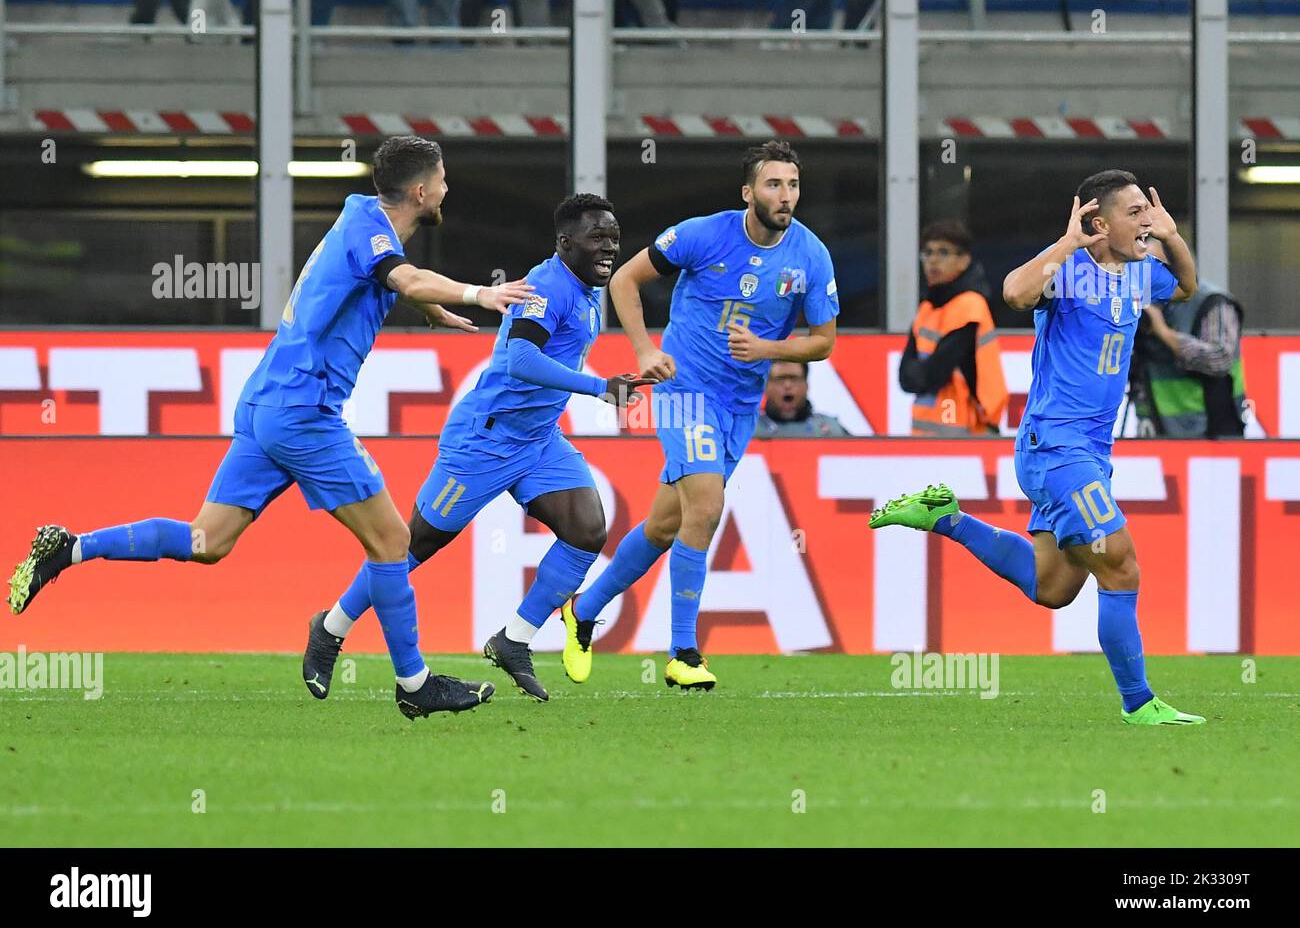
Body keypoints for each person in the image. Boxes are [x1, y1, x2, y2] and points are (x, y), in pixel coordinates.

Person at [6, 136, 530, 722]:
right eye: (441, 178)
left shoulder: (363, 219)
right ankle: (412, 681)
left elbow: (386, 281)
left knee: (208, 542)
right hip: (305, 412)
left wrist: (428, 307)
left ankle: (69, 548)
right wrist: (479, 293)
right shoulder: (373, 233)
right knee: (392, 543)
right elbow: (404, 279)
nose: (446, 187)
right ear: (419, 191)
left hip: (266, 405)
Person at [871, 169, 1206, 727]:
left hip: (1090, 451)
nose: (1144, 221)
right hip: (1056, 447)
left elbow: (1188, 285)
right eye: (1134, 214)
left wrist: (1170, 235)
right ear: (1098, 222)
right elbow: (1013, 293)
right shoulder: (1069, 269)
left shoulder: (1140, 271)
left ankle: (945, 519)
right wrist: (1070, 241)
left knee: (1053, 589)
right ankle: (1139, 703)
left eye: (1147, 212)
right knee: (1121, 567)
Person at [301, 194, 653, 703]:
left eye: (614, 238)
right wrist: (597, 388)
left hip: (538, 439)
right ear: (565, 242)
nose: (609, 248)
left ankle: (514, 640)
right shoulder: (547, 288)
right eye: (598, 237)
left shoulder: (586, 287)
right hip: (484, 441)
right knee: (409, 547)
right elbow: (518, 360)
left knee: (586, 529)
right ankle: (330, 628)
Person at [558, 140, 840, 690]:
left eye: (793, 185)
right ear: (748, 192)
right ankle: (684, 651)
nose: (786, 196)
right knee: (707, 506)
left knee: (667, 524)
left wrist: (768, 350)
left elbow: (824, 342)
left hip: (739, 405)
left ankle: (583, 609)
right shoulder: (701, 235)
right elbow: (624, 280)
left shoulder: (811, 255)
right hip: (685, 390)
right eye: (774, 185)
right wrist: (644, 351)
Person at [899, 220, 1007, 436]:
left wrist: (920, 374)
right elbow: (905, 378)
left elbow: (933, 375)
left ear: (964, 260)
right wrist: (920, 375)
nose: (933, 260)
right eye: (928, 252)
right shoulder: (927, 308)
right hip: (930, 435)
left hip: (970, 432)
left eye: (943, 252)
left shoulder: (970, 306)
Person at [1130, 279, 1246, 438]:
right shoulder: (1137, 301)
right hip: (1157, 428)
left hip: (1213, 431)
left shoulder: (1212, 302)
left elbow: (1220, 359)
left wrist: (1164, 333)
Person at [755, 361, 849, 437]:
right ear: (766, 386)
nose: (788, 385)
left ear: (806, 385)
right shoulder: (749, 430)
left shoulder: (829, 429)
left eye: (794, 378)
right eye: (780, 379)